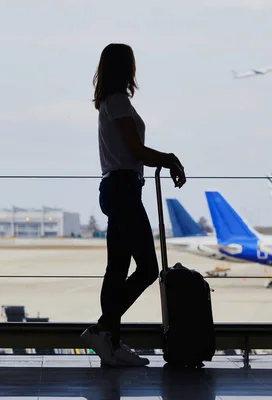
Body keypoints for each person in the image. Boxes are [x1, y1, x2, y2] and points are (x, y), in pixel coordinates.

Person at [81, 43, 186, 367]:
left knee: (117, 269)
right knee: (147, 268)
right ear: (127, 68)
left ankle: (110, 340)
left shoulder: (107, 102)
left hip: (116, 188)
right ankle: (104, 329)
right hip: (125, 189)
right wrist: (169, 159)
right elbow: (136, 150)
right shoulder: (118, 101)